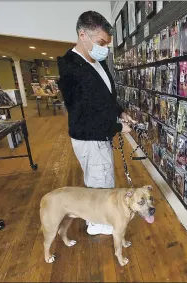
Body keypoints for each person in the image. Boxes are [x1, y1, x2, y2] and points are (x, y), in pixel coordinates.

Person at [57, 11, 135, 236]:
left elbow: (105, 97)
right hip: (91, 138)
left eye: (107, 43)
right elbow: (85, 115)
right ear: (83, 35)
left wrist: (120, 113)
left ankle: (100, 219)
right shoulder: (72, 70)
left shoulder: (96, 61)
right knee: (100, 182)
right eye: (101, 42)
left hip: (102, 134)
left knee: (104, 177)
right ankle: (97, 223)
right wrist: (120, 128)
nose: (105, 48)